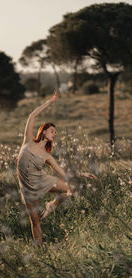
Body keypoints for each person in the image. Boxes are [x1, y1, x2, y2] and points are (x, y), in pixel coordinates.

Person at [17, 92, 96, 246]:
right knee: (35, 221)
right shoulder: (27, 141)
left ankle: (51, 206)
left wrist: (83, 173)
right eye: (52, 130)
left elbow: (63, 173)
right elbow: (32, 116)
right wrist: (50, 102)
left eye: (56, 132)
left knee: (69, 188)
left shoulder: (47, 156)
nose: (55, 134)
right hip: (27, 189)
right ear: (44, 130)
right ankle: (38, 248)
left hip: (40, 180)